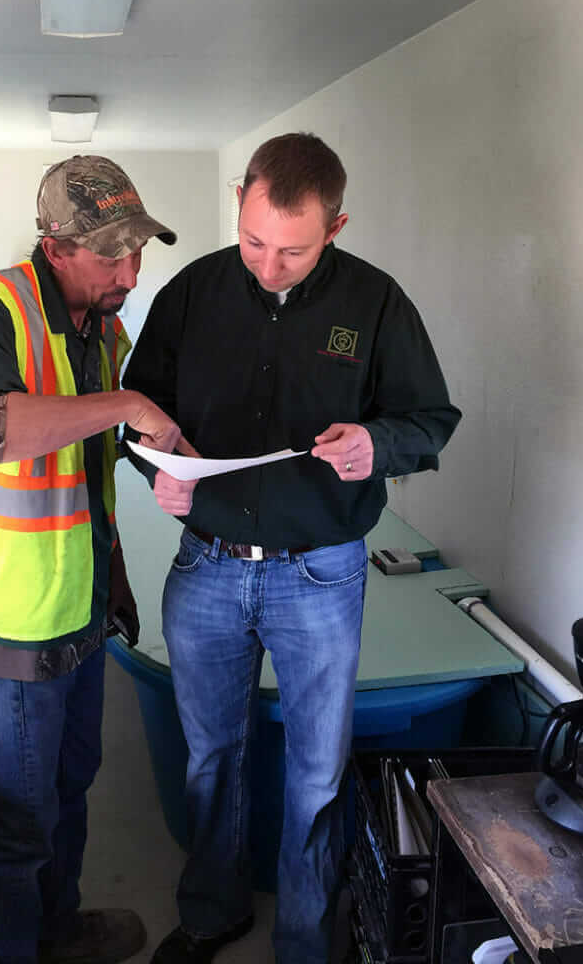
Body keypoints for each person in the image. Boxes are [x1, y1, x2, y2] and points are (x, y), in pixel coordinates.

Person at [122, 133, 461, 964]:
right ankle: (212, 914)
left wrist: (375, 445)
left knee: (316, 772)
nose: (267, 267)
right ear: (240, 201)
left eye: (294, 251)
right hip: (206, 564)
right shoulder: (194, 291)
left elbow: (430, 422)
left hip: (320, 573)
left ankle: (306, 942)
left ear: (337, 226)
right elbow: (140, 411)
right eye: (253, 241)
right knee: (210, 757)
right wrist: (157, 469)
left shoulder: (377, 305)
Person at [0, 155, 192, 964]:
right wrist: (122, 404)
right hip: (15, 620)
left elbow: (89, 472)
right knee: (19, 816)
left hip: (81, 603)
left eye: (138, 248)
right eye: (112, 253)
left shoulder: (104, 329)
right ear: (57, 247)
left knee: (73, 785)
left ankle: (57, 929)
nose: (132, 269)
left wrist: (113, 571)